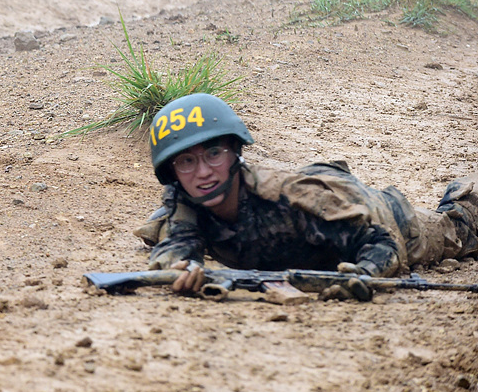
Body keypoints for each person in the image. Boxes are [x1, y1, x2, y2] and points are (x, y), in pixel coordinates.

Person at [134, 94, 478, 300]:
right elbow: (177, 245)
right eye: (187, 162)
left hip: (387, 218)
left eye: (213, 154)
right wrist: (181, 269)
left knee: (459, 229)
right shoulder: (184, 200)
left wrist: (362, 276)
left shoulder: (292, 200)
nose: (203, 173)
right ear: (173, 172)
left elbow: (383, 243)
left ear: (236, 152)